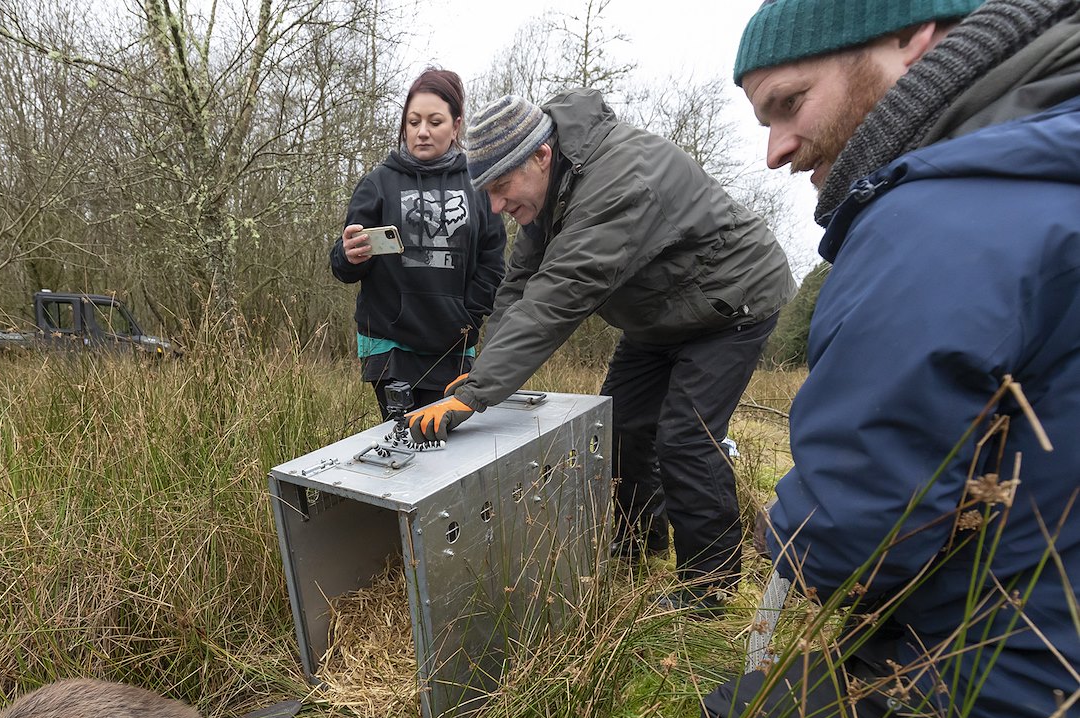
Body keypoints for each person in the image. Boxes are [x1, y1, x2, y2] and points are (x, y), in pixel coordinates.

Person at [703, 0, 1080, 718]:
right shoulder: (1047, 171)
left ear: (916, 42)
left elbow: (850, 539)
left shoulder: (941, 217)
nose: (774, 152)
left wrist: (785, 533)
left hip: (1023, 712)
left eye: (790, 103)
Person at [404, 91, 795, 615]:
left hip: (728, 303)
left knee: (685, 438)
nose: (496, 206)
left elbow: (559, 294)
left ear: (540, 156)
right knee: (621, 427)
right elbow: (520, 286)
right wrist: (478, 372)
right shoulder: (550, 191)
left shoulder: (617, 181)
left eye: (501, 187)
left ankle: (710, 588)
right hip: (658, 317)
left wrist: (478, 394)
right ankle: (639, 541)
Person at [330, 68, 506, 421]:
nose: (422, 131)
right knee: (404, 443)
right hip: (390, 343)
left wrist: (468, 315)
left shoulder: (478, 185)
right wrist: (349, 256)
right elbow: (343, 264)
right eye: (413, 122)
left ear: (456, 126)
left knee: (446, 448)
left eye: (434, 121)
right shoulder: (378, 183)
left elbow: (493, 262)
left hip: (454, 342)